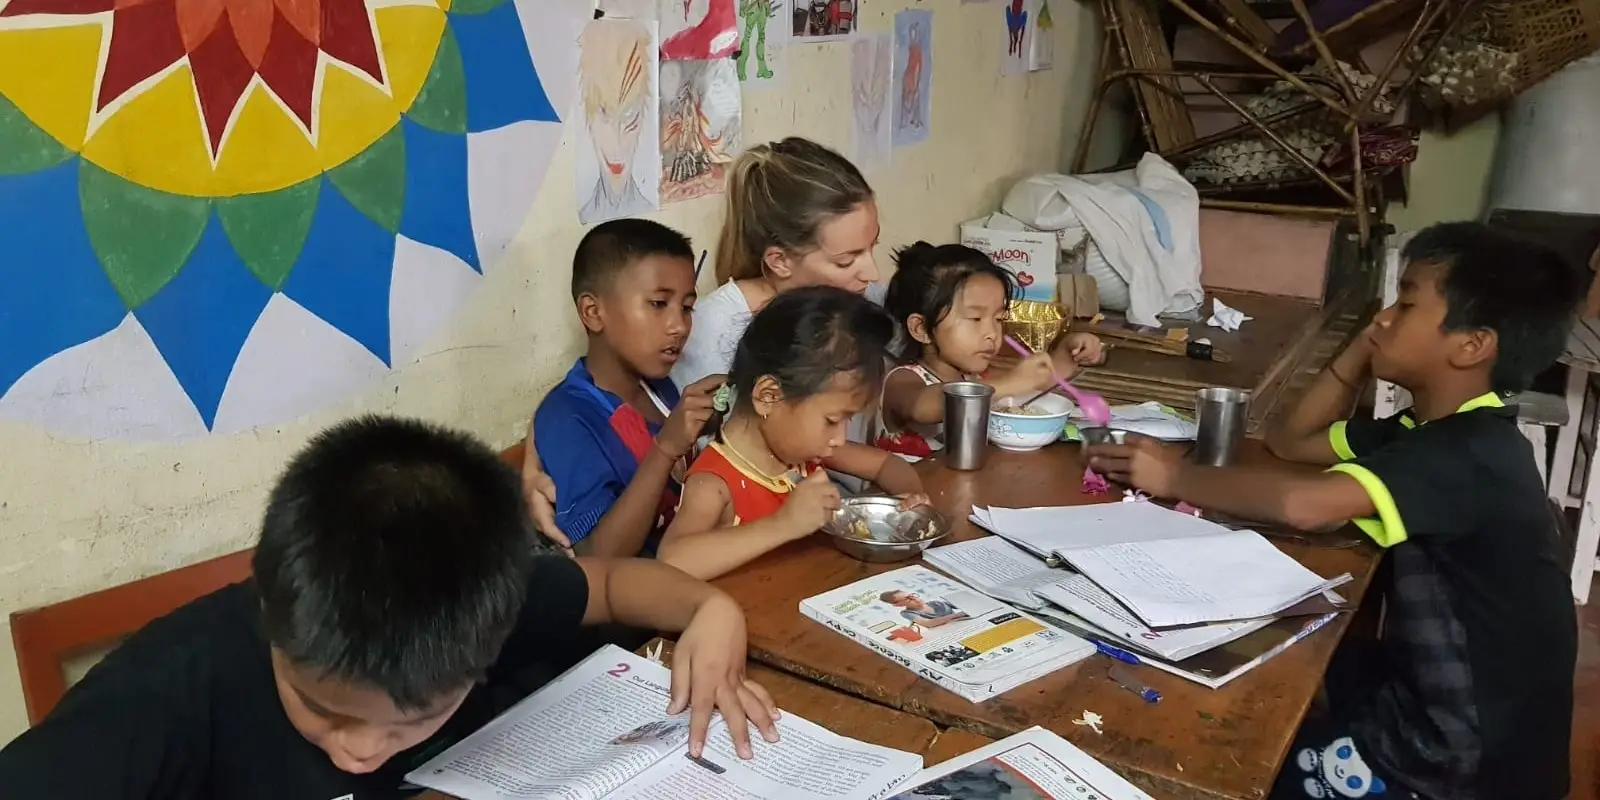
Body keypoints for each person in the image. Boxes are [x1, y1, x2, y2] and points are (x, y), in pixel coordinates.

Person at [0, 416, 779, 799]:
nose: (360, 752)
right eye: (324, 709)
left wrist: (712, 612)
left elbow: (608, 585)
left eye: (412, 719)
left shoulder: (468, 597)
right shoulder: (165, 692)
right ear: (272, 608)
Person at [1085, 222, 1580, 800]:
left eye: (1407, 303)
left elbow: (1307, 506)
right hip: (1437, 701)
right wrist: (1364, 351)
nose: (1384, 317)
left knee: (1231, 764)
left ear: (1471, 345)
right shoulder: (1425, 430)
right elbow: (1292, 442)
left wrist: (1174, 475)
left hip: (1461, 759)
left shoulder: (1469, 451)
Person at [660, 287, 928, 579]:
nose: (839, 439)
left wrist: (909, 498)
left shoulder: (798, 452)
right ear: (769, 396)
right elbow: (671, 563)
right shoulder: (715, 482)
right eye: (832, 420)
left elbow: (887, 464)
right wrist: (783, 524)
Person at [533, 219, 724, 557]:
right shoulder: (568, 418)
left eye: (687, 307)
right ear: (593, 312)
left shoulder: (658, 388)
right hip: (634, 600)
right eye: (658, 304)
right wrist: (666, 447)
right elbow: (599, 556)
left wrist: (715, 416)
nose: (679, 326)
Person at [877, 242, 1104, 456]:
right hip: (908, 495)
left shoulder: (972, 377)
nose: (992, 333)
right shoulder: (903, 380)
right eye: (976, 318)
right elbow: (922, 406)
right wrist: (1013, 382)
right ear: (922, 329)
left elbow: (1039, 381)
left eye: (998, 318)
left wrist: (1068, 352)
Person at [879, 590, 970, 628]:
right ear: (898, 605)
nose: (914, 598)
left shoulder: (936, 603)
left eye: (912, 595)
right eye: (908, 598)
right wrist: (957, 615)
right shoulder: (907, 613)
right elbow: (928, 623)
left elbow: (963, 605)